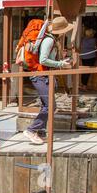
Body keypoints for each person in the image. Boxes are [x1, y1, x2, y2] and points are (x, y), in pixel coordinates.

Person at [23, 17, 72, 145]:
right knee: (51, 105)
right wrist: (61, 63)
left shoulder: (51, 39)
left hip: (42, 76)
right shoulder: (49, 40)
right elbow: (43, 60)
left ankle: (40, 132)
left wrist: (61, 59)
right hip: (40, 76)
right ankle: (31, 130)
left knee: (46, 105)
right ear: (60, 31)